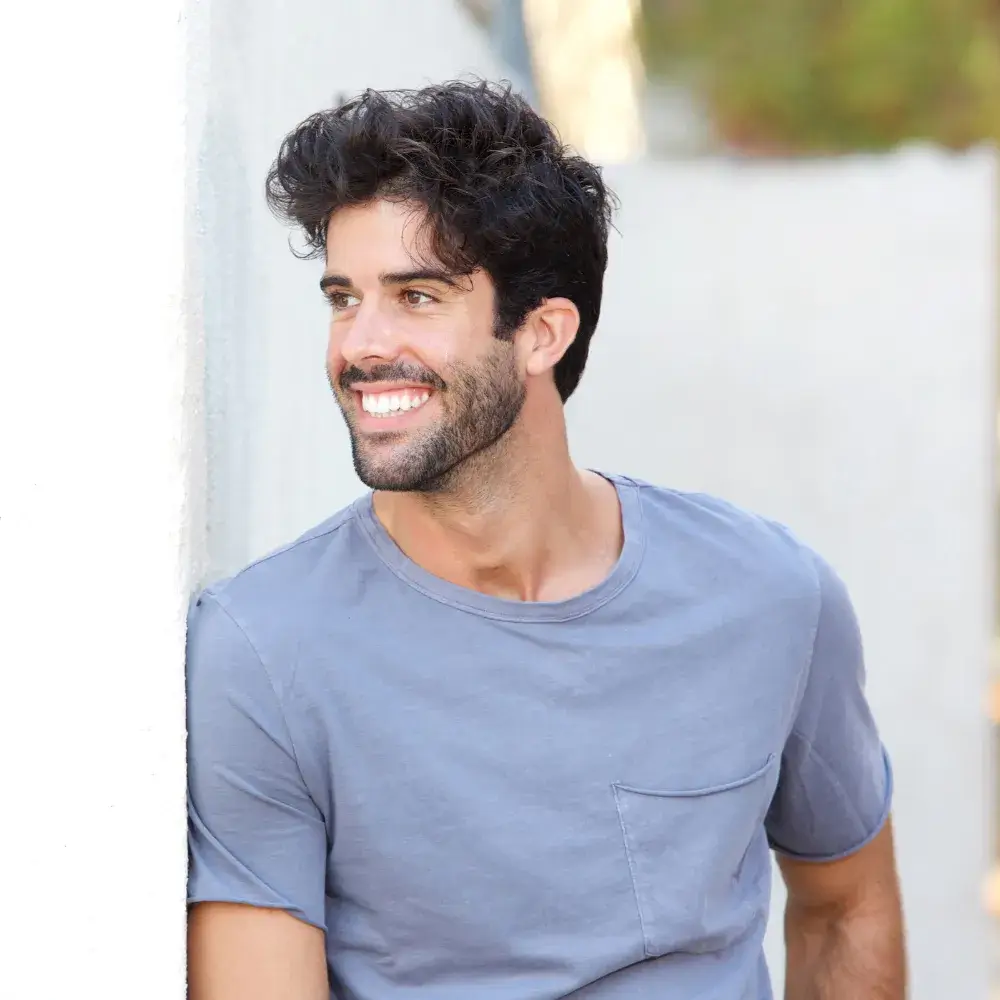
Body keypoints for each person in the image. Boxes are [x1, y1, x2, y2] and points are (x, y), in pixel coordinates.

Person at [186, 79, 905, 1000]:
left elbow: (848, 906)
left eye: (416, 295)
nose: (359, 346)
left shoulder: (771, 597)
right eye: (342, 297)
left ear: (542, 333)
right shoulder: (262, 650)